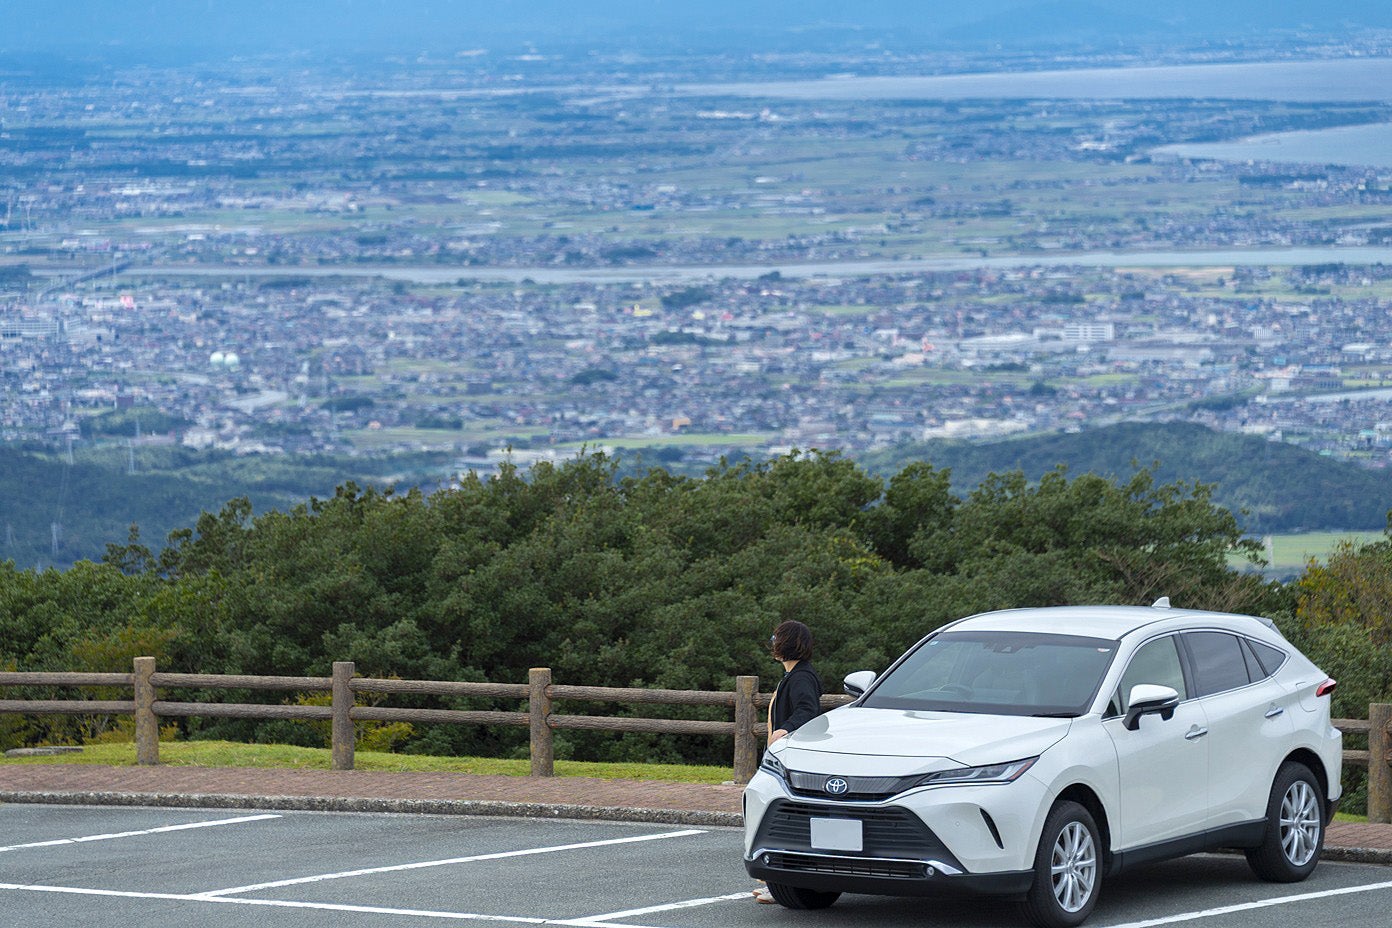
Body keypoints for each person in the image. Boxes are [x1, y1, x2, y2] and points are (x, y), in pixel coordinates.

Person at [754, 619, 823, 904]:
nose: (772, 642)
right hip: (780, 757)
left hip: (790, 761)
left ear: (788, 643)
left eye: (776, 637)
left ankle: (781, 882)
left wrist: (784, 730)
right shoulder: (793, 675)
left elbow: (808, 709)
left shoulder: (802, 677)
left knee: (782, 819)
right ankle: (775, 880)